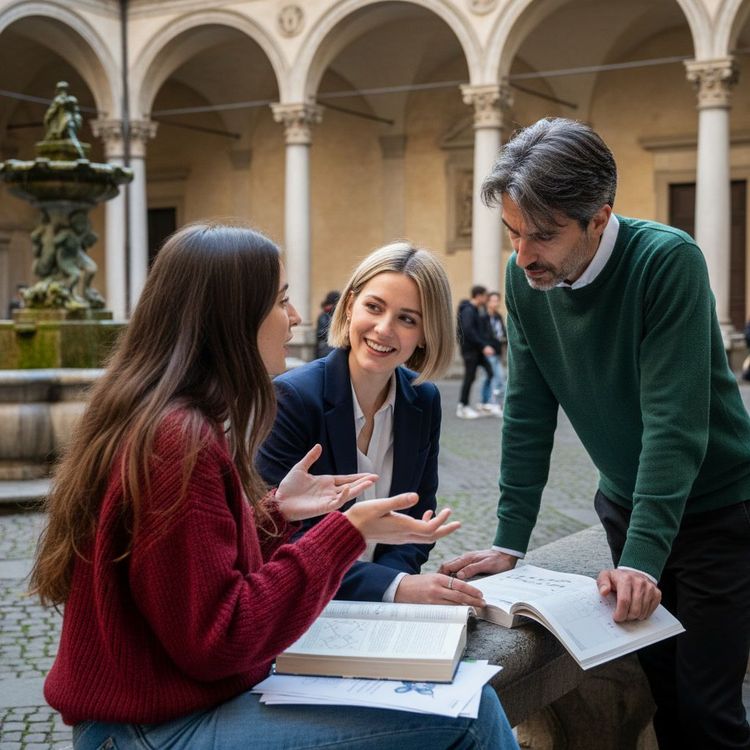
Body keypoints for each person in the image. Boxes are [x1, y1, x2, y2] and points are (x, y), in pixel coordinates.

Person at [30, 224, 518, 750]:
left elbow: (196, 575)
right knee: (470, 713)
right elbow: (220, 639)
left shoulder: (171, 421)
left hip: (175, 704)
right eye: (281, 300)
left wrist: (270, 514)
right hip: (149, 729)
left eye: (408, 319)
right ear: (231, 315)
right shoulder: (178, 440)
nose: (297, 318)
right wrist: (343, 532)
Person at [440, 118, 750, 750]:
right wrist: (509, 543)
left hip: (718, 510)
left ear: (600, 217)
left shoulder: (667, 262)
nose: (524, 254)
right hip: (624, 505)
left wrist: (641, 560)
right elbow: (526, 411)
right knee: (663, 693)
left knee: (707, 710)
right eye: (514, 232)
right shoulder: (525, 280)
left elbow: (674, 426)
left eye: (544, 235)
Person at [259, 242, 486, 608]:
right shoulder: (292, 398)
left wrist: (395, 580)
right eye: (374, 307)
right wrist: (393, 587)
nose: (383, 330)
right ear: (350, 306)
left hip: (381, 614)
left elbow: (417, 518)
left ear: (427, 334)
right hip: (303, 609)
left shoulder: (424, 400)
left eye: (407, 319)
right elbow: (279, 539)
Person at [456, 285, 495, 419]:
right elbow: (468, 331)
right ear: (478, 296)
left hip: (477, 350)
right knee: (469, 377)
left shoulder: (478, 310)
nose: (486, 299)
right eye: (485, 296)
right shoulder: (468, 310)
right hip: (470, 351)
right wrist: (483, 346)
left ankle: (484, 403)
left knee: (490, 372)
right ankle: (462, 406)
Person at [478, 291, 506, 415]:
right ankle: (492, 403)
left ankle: (487, 403)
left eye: (497, 300)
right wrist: (485, 346)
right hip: (489, 352)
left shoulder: (498, 317)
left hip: (498, 351)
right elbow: (481, 334)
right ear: (488, 302)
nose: (495, 303)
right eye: (493, 300)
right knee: (495, 378)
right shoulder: (483, 317)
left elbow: (502, 332)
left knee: (493, 377)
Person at [315, 290, 340, 359]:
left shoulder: (326, 314)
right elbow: (321, 333)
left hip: (330, 348)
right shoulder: (324, 316)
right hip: (327, 349)